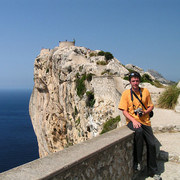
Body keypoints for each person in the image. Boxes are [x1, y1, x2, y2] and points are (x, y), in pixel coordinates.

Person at [118, 71, 161, 180]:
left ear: (139, 81)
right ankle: (137, 162)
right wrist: (133, 120)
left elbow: (151, 106)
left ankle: (153, 171)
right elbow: (124, 111)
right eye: (133, 81)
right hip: (132, 121)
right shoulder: (126, 94)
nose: (135, 83)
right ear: (130, 82)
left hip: (145, 121)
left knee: (151, 144)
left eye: (137, 80)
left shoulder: (145, 91)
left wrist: (145, 112)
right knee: (139, 132)